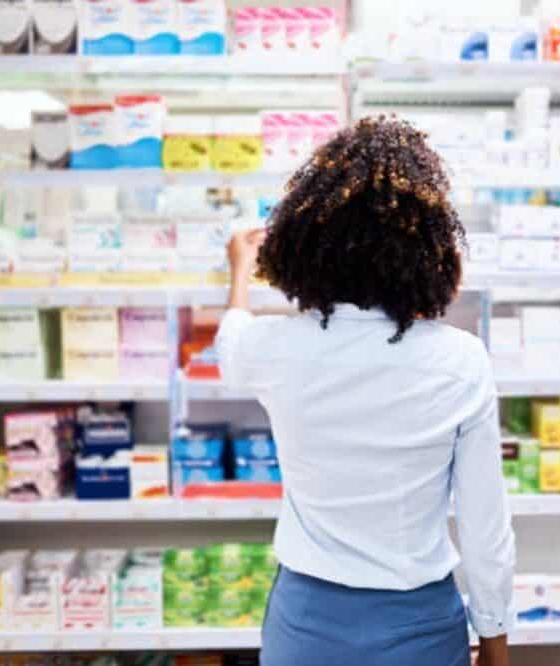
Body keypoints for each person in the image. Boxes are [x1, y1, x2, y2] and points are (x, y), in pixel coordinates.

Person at [216, 116, 514, 666]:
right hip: (418, 626)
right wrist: (494, 641)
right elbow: (483, 525)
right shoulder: (459, 361)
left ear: (306, 241)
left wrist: (240, 271)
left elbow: (229, 343)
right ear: (429, 247)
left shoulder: (276, 348)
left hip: (306, 625)